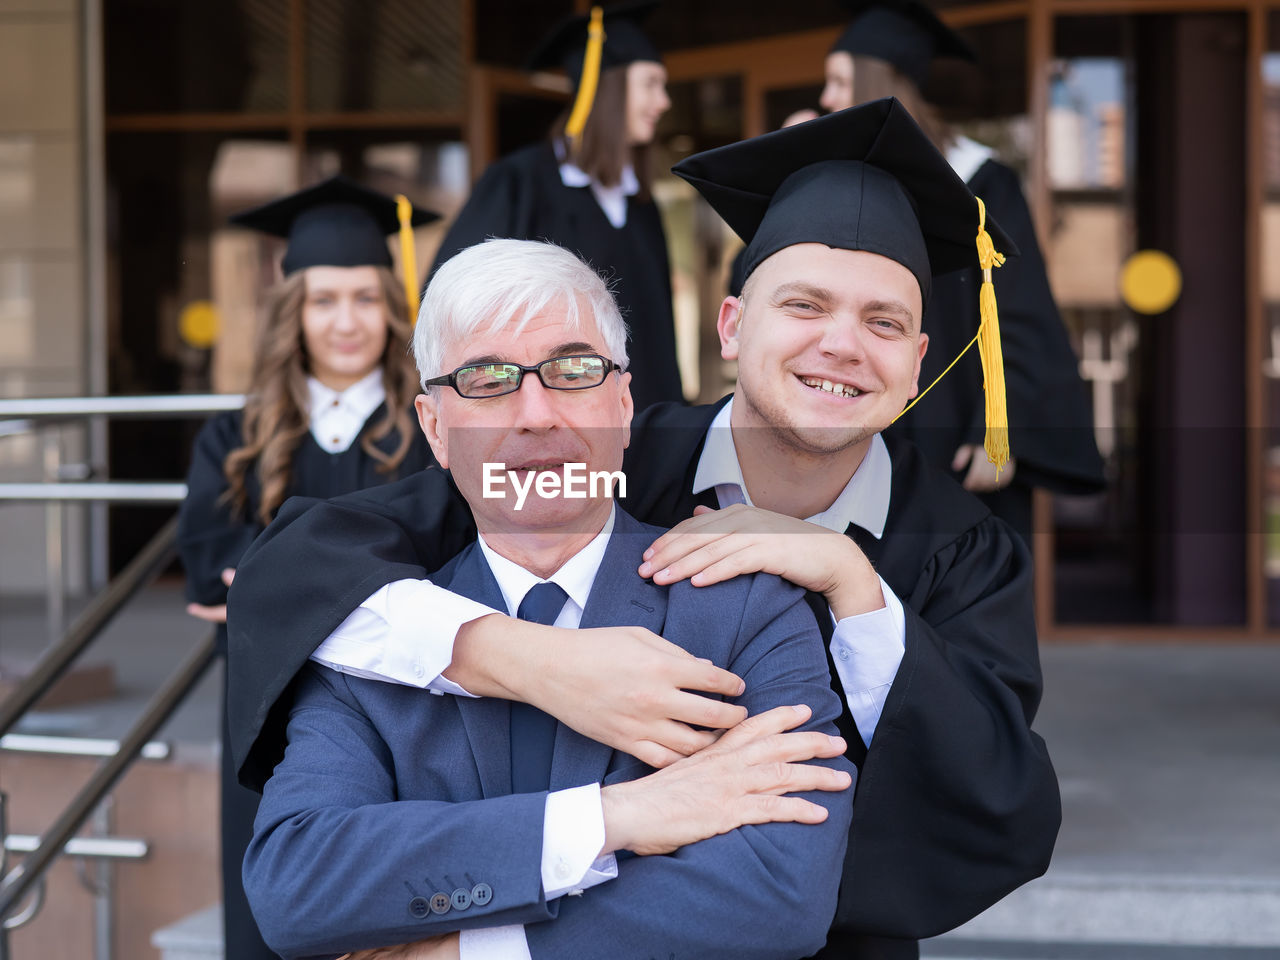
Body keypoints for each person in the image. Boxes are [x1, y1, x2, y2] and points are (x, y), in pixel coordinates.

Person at [228, 100, 1061, 960]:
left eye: (883, 321)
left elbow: (995, 804)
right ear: (732, 325)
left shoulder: (964, 549)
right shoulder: (600, 455)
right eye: (805, 304)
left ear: (920, 360)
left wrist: (856, 589)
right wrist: (523, 657)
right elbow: (307, 569)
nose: (843, 345)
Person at [242, 238, 854, 960]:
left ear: (622, 405)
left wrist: (464, 952)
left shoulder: (747, 612)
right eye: (488, 379)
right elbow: (299, 887)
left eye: (572, 371)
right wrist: (614, 818)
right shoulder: (368, 642)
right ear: (435, 428)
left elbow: (779, 898)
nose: (536, 413)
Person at [176, 175, 437, 960]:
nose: (347, 321)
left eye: (364, 297)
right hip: (269, 712)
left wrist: (274, 590)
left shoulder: (429, 429)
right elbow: (206, 574)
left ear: (391, 306)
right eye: (324, 300)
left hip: (404, 706)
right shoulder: (237, 439)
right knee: (272, 907)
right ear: (294, 309)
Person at [808, 0, 1106, 542]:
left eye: (838, 80)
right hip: (864, 436)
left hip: (956, 445)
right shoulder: (843, 186)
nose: (825, 98)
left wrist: (1000, 431)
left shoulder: (982, 185)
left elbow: (1019, 315)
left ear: (877, 81)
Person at [429, 1, 683, 411]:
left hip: (644, 421)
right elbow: (458, 302)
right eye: (651, 83)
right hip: (547, 416)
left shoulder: (641, 205)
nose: (664, 101)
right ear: (609, 84)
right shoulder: (519, 183)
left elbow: (661, 334)